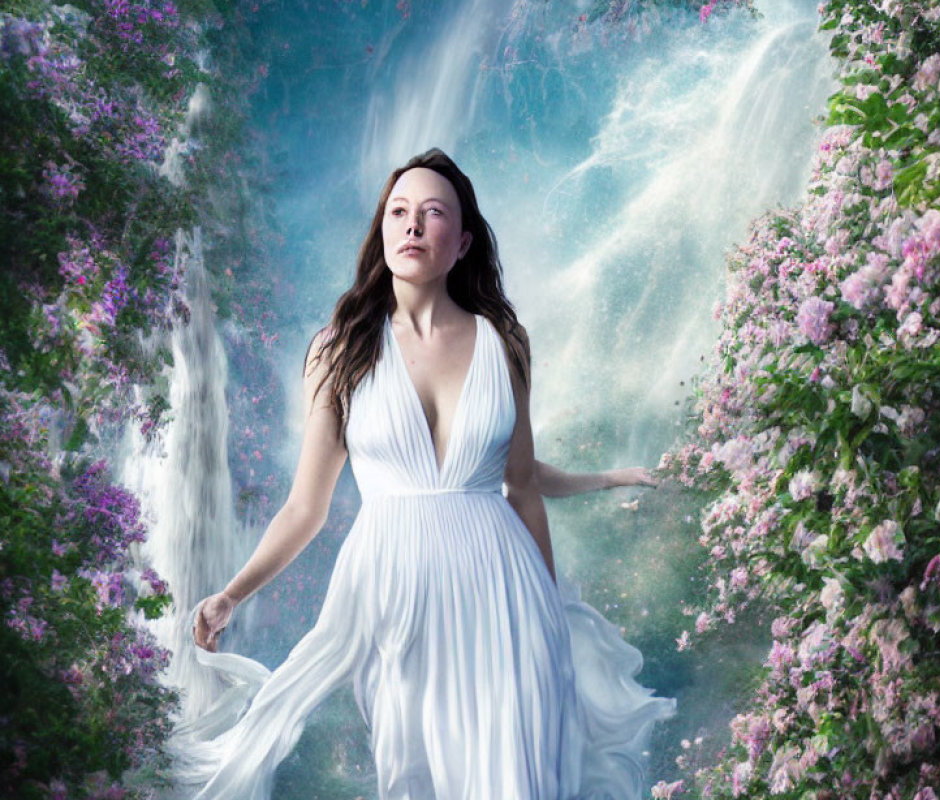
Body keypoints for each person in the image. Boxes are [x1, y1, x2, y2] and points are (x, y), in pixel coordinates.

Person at [180, 148, 675, 799]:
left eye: (433, 213)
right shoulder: (340, 351)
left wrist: (550, 611)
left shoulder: (505, 341)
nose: (412, 226)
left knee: (516, 780)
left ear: (462, 240)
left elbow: (520, 483)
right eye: (399, 212)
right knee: (416, 778)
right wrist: (231, 595)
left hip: (509, 595)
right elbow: (307, 507)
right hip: (396, 598)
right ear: (383, 230)